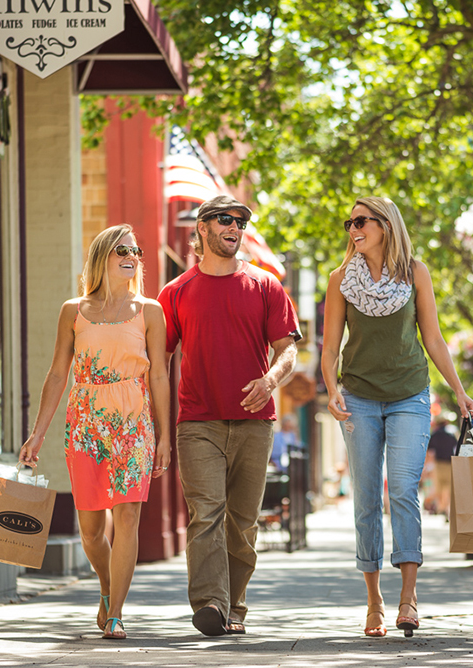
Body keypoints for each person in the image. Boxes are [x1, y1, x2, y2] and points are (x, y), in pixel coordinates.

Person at [320, 196, 473, 639]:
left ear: (386, 226)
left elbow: (434, 338)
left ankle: (408, 598)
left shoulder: (415, 273)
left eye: (361, 221)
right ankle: (374, 601)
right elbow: (329, 348)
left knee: (404, 491)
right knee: (367, 498)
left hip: (410, 396)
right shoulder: (339, 281)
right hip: (359, 399)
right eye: (349, 221)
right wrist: (332, 391)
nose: (353, 228)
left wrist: (460, 392)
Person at [18, 225, 171, 640]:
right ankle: (106, 587)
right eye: (122, 249)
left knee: (128, 516)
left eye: (136, 250)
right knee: (90, 529)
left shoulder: (150, 311)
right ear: (102, 256)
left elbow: (159, 375)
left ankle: (117, 611)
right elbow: (56, 375)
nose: (132, 255)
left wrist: (163, 435)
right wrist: (37, 434)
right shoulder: (74, 310)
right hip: (85, 423)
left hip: (134, 423)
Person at [158, 194, 301, 637]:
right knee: (206, 513)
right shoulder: (175, 293)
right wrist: (161, 428)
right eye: (225, 219)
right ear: (202, 228)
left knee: (242, 523)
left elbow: (288, 349)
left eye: (240, 221)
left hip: (255, 424)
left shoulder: (265, 286)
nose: (234, 227)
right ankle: (209, 604)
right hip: (197, 421)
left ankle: (235, 605)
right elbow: (157, 362)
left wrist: (270, 381)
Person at [426, 416, 458, 515]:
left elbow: (430, 451)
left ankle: (441, 507)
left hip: (438, 464)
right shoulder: (451, 434)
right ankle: (447, 508)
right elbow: (456, 448)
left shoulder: (435, 434)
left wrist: (427, 466)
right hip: (450, 464)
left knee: (439, 487)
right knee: (448, 488)